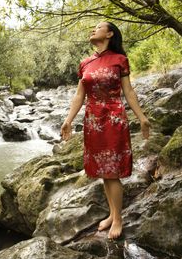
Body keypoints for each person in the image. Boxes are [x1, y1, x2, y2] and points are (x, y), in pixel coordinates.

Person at [60, 21, 151, 239]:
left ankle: (118, 219)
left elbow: (128, 91)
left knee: (112, 171)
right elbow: (79, 95)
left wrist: (142, 118)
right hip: (92, 121)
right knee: (103, 171)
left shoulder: (120, 60)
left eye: (98, 27)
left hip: (113, 119)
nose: (93, 29)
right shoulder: (85, 63)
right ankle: (112, 214)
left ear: (110, 34)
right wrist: (68, 121)